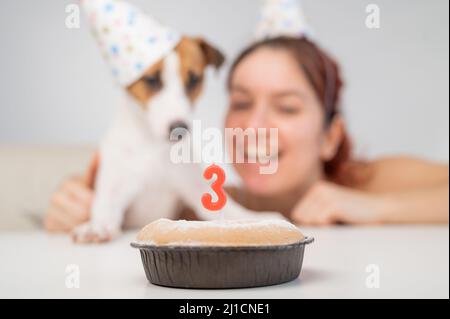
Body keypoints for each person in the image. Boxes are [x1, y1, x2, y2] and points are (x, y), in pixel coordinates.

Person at [45, 35, 448, 232]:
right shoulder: (212, 204)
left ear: (330, 136)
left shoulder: (372, 180)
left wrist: (372, 208)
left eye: (287, 107)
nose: (253, 127)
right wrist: (78, 204)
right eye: (240, 103)